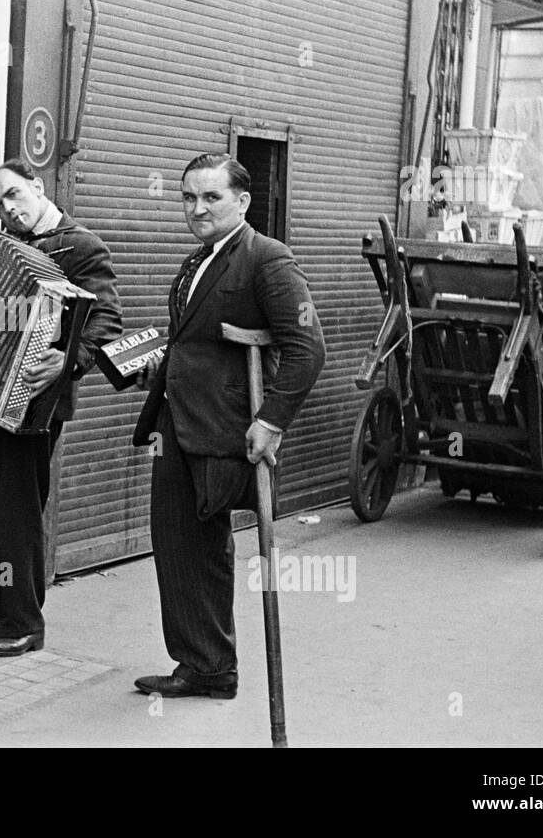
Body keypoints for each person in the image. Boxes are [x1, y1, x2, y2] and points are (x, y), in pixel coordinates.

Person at [132, 153, 324, 698]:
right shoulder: (199, 260)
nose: (198, 208)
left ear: (241, 201)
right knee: (179, 547)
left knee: (204, 546)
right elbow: (196, 341)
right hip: (178, 423)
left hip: (225, 429)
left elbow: (307, 348)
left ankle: (214, 666)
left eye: (211, 197)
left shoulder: (268, 259)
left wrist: (272, 421)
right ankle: (203, 664)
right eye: (189, 198)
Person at [0, 158, 122, 656]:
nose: (8, 209)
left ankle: (23, 623)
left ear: (37, 187)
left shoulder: (81, 245)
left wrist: (68, 361)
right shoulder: (2, 245)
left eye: (14, 195)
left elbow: (106, 319)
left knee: (16, 513)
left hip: (37, 400)